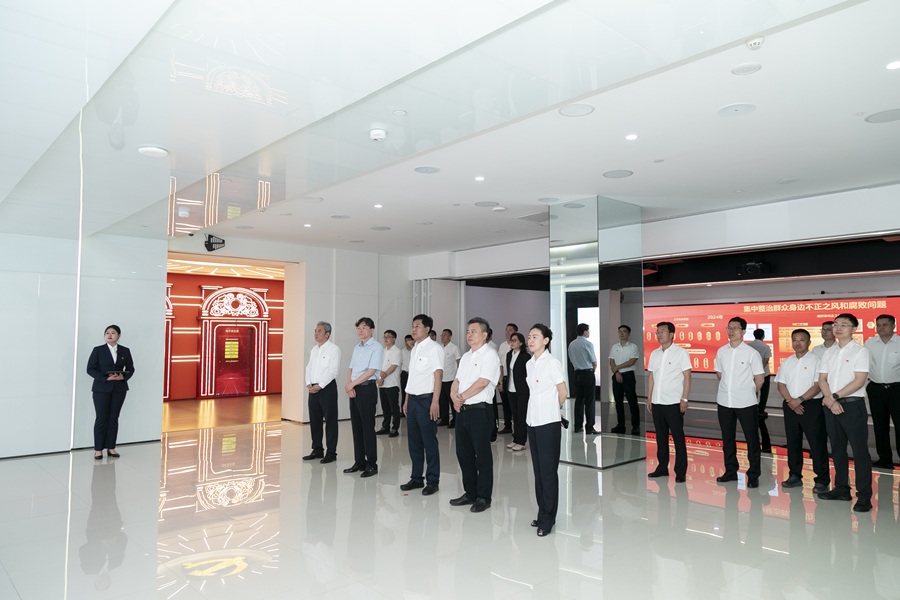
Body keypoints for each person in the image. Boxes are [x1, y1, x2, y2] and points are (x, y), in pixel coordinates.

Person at [818, 313, 873, 511]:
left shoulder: (861, 351)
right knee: (837, 449)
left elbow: (859, 381)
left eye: (844, 324)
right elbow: (822, 379)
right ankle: (841, 488)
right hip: (831, 406)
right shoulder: (829, 352)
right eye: (836, 324)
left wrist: (833, 397)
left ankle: (864, 496)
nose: (838, 328)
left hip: (852, 406)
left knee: (859, 452)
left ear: (854, 329)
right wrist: (831, 400)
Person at [449, 318, 500, 513]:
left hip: (480, 411)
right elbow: (456, 380)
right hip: (462, 411)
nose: (469, 335)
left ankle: (483, 497)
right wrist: (453, 395)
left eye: (474, 331)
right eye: (468, 331)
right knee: (464, 454)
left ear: (484, 335)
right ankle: (470, 492)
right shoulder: (466, 356)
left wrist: (460, 397)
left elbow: (483, 382)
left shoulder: (490, 355)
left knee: (482, 456)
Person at [525, 324, 568, 537]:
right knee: (538, 472)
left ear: (546, 340)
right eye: (529, 337)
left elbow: (563, 392)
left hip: (548, 423)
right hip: (532, 421)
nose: (530, 340)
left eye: (535, 337)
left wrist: (553, 411)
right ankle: (543, 512)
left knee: (548, 472)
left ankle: (547, 519)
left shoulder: (552, 363)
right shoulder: (529, 364)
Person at [775, 328, 829, 492]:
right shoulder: (787, 362)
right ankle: (794, 475)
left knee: (817, 443)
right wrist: (791, 401)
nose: (798, 343)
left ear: (809, 342)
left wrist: (800, 400)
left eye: (802, 340)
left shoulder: (817, 361)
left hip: (811, 406)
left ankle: (822, 479)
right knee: (793, 442)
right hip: (790, 405)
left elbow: (818, 385)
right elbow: (781, 384)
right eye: (795, 340)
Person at [714, 317, 764, 488]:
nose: (731, 331)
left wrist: (747, 391)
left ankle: (753, 475)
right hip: (724, 401)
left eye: (735, 328)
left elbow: (759, 379)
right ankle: (730, 471)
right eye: (729, 328)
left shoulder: (751, 353)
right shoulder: (721, 351)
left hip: (746, 403)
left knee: (752, 439)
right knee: (727, 438)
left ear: (743, 332)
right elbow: (719, 374)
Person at [400, 314, 443, 496]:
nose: (413, 329)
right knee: (414, 442)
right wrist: (406, 399)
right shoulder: (415, 348)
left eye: (417, 326)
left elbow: (438, 376)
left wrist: (435, 401)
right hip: (413, 400)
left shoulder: (434, 348)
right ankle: (416, 477)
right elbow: (412, 376)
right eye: (412, 326)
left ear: (427, 328)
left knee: (429, 442)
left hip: (426, 400)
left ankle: (433, 481)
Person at [646, 322, 691, 482]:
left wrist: (684, 398)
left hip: (674, 402)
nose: (659, 334)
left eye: (662, 331)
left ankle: (680, 471)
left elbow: (687, 377)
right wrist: (649, 397)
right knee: (660, 437)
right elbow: (651, 377)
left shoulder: (681, 353)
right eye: (657, 332)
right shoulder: (654, 354)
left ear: (671, 334)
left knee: (678, 437)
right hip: (657, 402)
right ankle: (662, 467)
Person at [86, 325, 135, 459]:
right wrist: (105, 378)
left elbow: (131, 369)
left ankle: (111, 448)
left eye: (113, 333)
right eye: (107, 333)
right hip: (101, 389)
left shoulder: (125, 350)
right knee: (101, 418)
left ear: (119, 336)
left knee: (113, 418)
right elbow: (90, 369)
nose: (109, 335)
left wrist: (123, 377)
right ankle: (98, 449)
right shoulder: (98, 350)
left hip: (119, 389)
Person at [343, 317, 384, 478]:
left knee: (367, 427)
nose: (361, 330)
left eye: (364, 327)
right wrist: (349, 385)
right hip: (354, 389)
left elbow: (371, 371)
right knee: (356, 426)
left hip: (367, 389)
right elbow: (350, 369)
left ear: (372, 330)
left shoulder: (376, 347)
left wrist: (352, 384)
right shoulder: (357, 347)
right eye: (358, 328)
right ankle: (359, 461)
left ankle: (371, 464)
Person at [303, 321, 341, 463]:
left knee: (330, 421)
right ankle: (317, 449)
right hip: (313, 389)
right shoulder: (314, 349)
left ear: (327, 334)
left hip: (327, 388)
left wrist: (320, 385)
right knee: (315, 420)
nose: (316, 333)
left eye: (319, 331)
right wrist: (308, 382)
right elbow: (309, 367)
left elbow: (333, 371)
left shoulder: (334, 349)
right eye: (315, 330)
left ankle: (331, 453)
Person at [865, 314, 900, 469]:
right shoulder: (870, 343)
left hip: (897, 390)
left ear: (893, 326)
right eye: (878, 325)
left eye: (885, 325)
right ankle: (884, 459)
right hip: (876, 389)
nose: (881, 328)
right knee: (880, 426)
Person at [609, 324, 641, 435]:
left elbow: (632, 361)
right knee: (618, 402)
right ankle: (620, 425)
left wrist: (617, 367)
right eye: (620, 331)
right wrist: (616, 372)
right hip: (616, 375)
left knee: (632, 401)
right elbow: (611, 361)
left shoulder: (633, 347)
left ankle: (635, 426)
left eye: (624, 331)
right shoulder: (615, 347)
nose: (621, 333)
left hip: (628, 376)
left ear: (629, 333)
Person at [567, 323, 598, 434]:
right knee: (589, 401)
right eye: (588, 330)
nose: (589, 333)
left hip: (577, 374)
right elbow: (594, 361)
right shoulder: (588, 344)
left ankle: (577, 426)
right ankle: (589, 427)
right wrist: (593, 370)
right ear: (585, 332)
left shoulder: (571, 344)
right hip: (587, 373)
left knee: (579, 400)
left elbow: (571, 359)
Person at [747, 328, 773, 453]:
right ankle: (761, 410)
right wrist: (760, 370)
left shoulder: (748, 346)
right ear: (763, 336)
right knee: (764, 393)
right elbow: (766, 361)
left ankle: (753, 408)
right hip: (765, 374)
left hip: (751, 373)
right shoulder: (765, 347)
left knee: (754, 391)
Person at [505, 332, 529, 451]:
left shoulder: (525, 356)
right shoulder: (509, 355)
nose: (512, 342)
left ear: (521, 343)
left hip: (522, 390)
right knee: (515, 415)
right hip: (511, 389)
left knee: (522, 416)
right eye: (511, 340)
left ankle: (521, 441)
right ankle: (515, 439)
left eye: (515, 340)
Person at [376, 329, 402, 437]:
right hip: (382, 384)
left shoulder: (396, 351)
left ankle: (395, 428)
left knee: (394, 407)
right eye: (384, 337)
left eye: (388, 337)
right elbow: (378, 367)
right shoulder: (382, 351)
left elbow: (393, 367)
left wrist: (382, 376)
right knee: (385, 407)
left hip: (392, 384)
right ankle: (385, 427)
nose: (386, 339)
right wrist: (379, 378)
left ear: (394, 339)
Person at [496, 323, 517, 435]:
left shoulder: (517, 345)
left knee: (514, 404)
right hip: (503, 377)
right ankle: (507, 426)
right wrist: (500, 382)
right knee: (505, 403)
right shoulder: (502, 346)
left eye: (510, 330)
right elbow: (500, 365)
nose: (507, 332)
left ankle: (517, 428)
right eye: (506, 330)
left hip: (513, 378)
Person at [438, 329, 460, 427]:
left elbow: (459, 362)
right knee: (442, 401)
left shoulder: (454, 348)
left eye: (445, 335)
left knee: (452, 401)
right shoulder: (439, 348)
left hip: (451, 379)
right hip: (441, 379)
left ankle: (455, 420)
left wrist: (458, 378)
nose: (442, 337)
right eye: (442, 335)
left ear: (450, 337)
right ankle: (444, 419)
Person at [400, 334, 414, 402]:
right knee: (404, 393)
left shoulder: (415, 351)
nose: (407, 342)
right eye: (405, 341)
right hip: (404, 373)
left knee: (412, 393)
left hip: (413, 374)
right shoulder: (402, 351)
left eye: (409, 340)